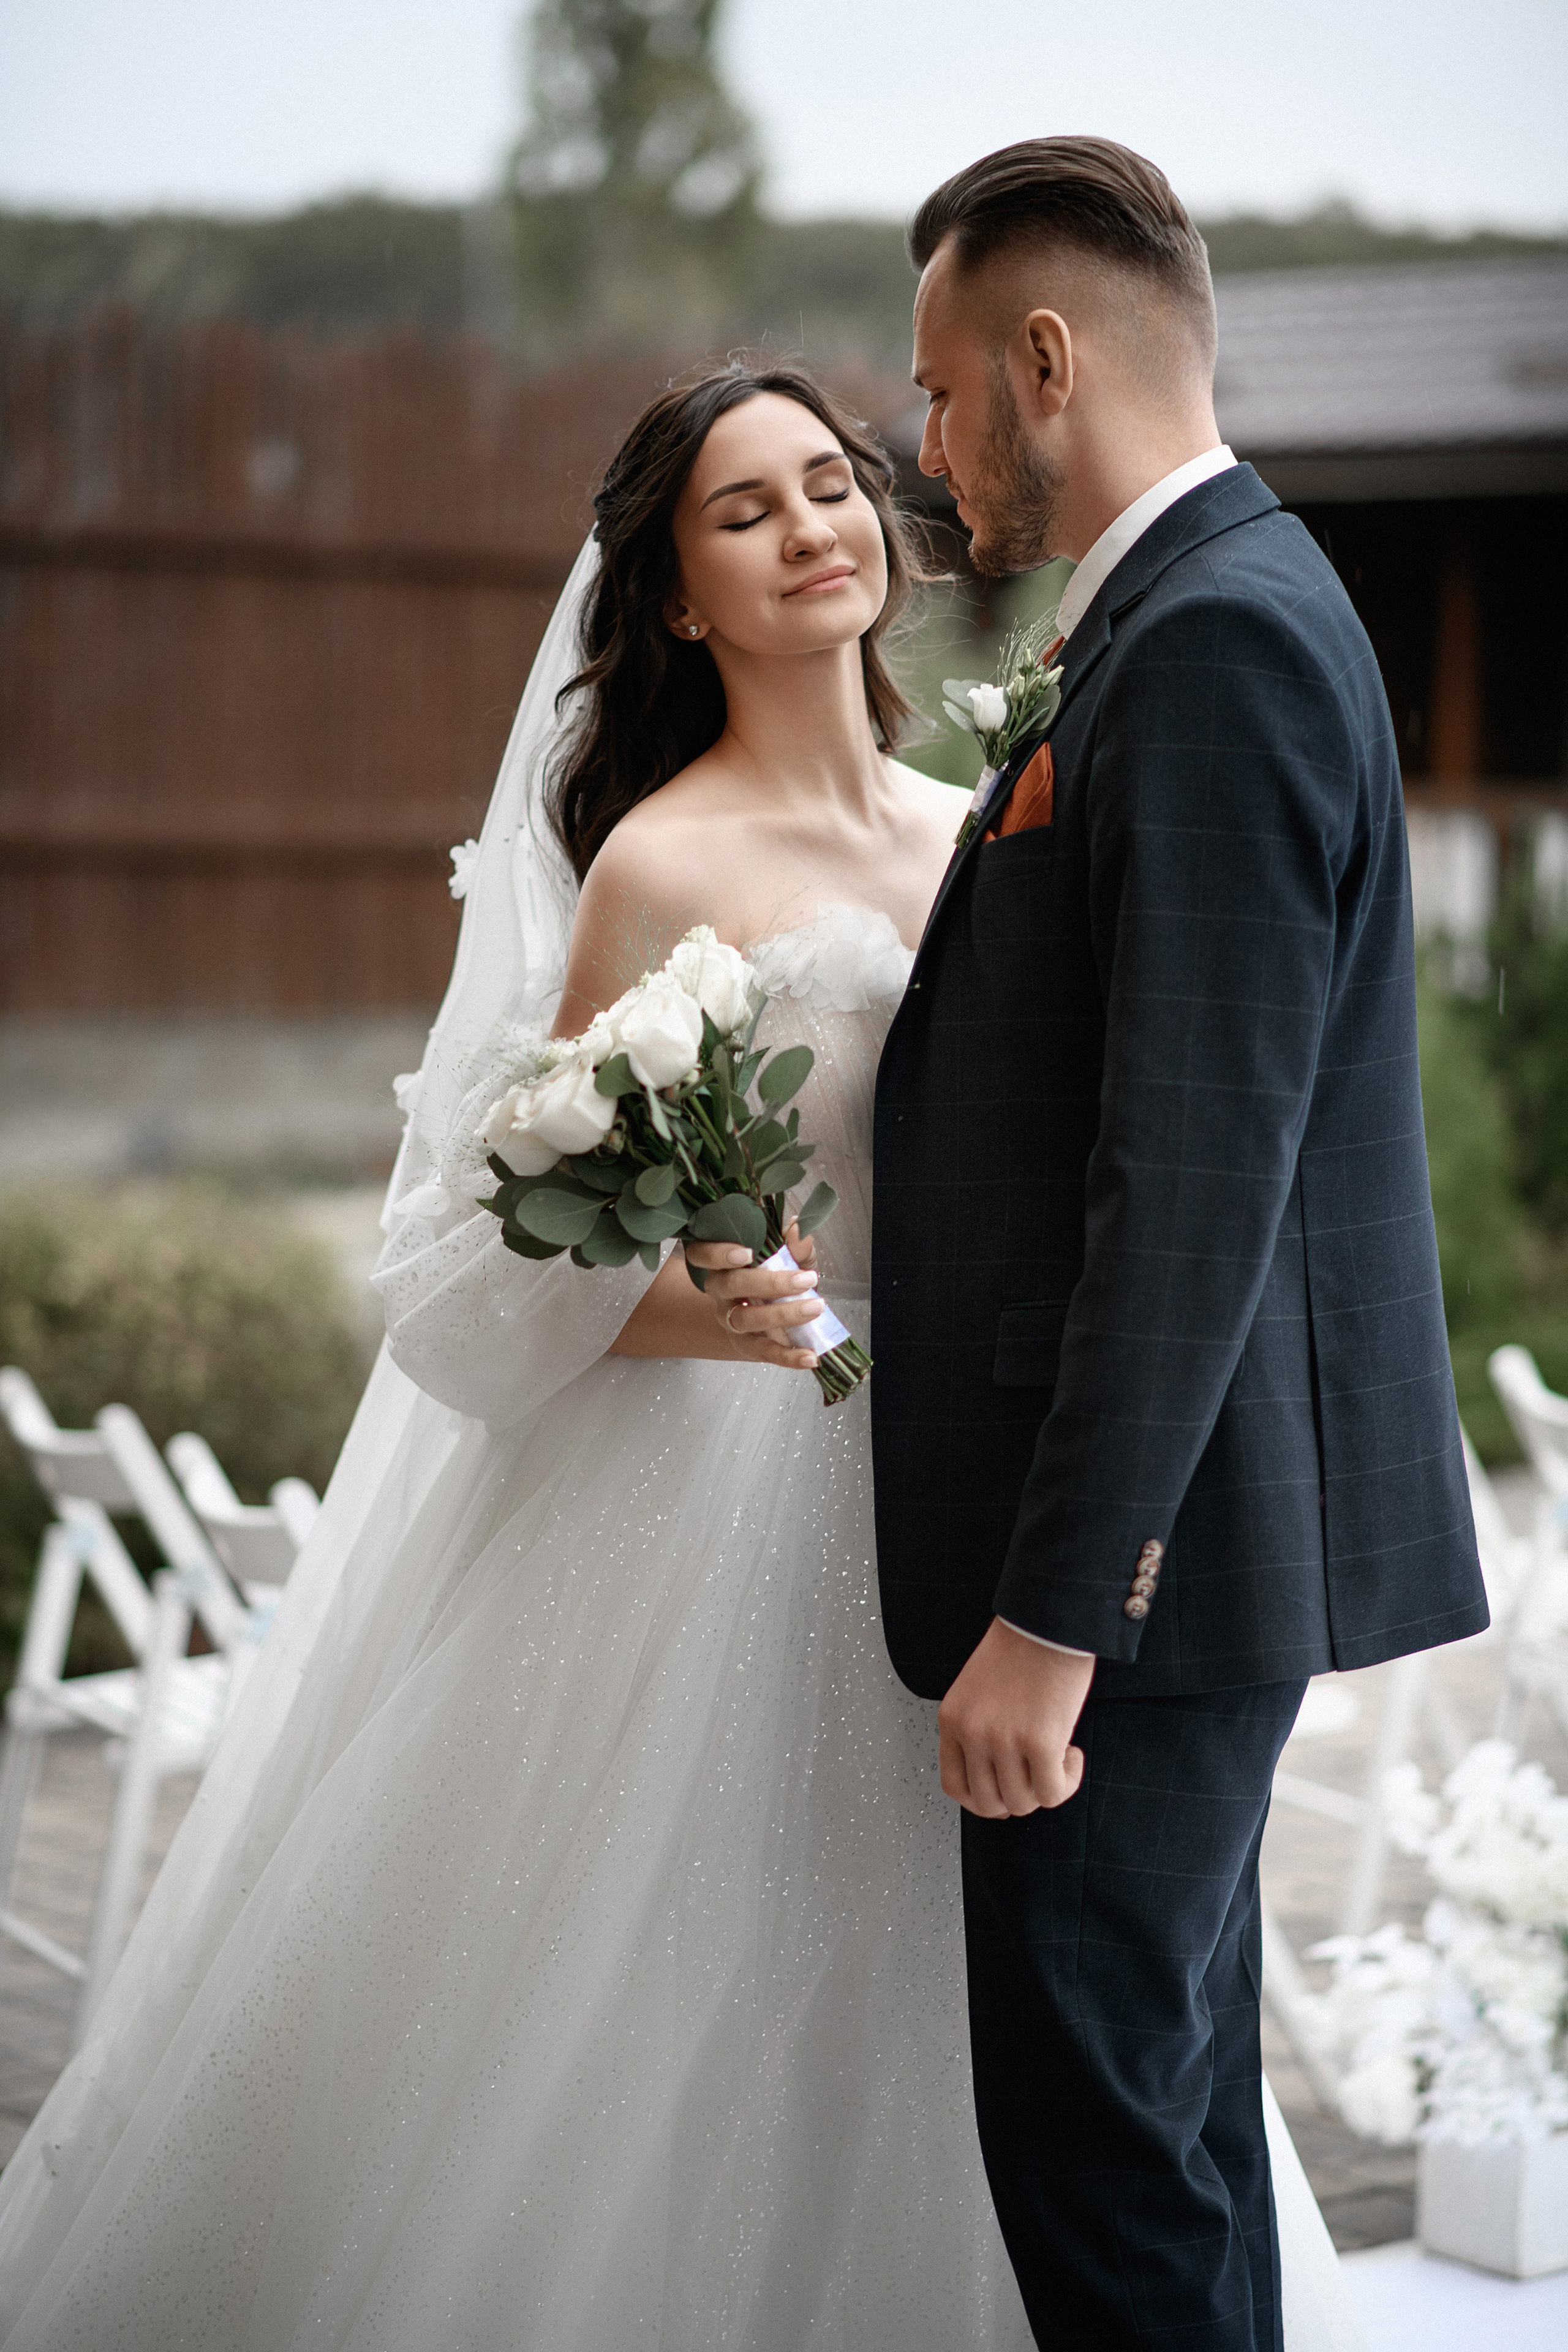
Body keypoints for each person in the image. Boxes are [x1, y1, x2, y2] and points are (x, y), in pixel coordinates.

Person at [0, 361, 1353, 2351]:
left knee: (1028, 2010)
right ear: (675, 597)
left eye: (831, 483)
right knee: (694, 1985)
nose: (812, 526)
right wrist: (688, 1303)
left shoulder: (985, 820)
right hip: (729, 1491)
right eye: (746, 512)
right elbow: (472, 1255)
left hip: (979, 1486)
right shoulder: (655, 867)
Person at [832, 135, 1485, 2351]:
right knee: (1173, 2142)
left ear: (1043, 358)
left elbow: (1191, 1182)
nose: (926, 453)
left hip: (1150, 1583)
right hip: (1182, 1574)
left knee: (1109, 2178)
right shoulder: (1194, 615)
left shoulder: (1209, 641)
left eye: (936, 394)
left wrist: (1053, 1614)